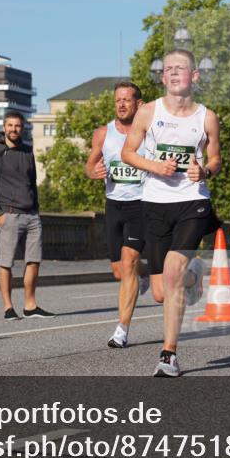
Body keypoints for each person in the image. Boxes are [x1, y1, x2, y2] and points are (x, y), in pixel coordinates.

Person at [121, 49, 222, 377]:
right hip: (154, 203)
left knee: (172, 272)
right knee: (162, 292)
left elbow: (217, 160)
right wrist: (156, 166)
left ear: (194, 76)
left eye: (183, 69)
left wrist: (204, 172)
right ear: (163, 77)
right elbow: (128, 153)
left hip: (193, 202)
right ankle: (195, 274)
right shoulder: (147, 113)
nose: (176, 74)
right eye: (169, 70)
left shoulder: (207, 117)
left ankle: (168, 356)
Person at [85, 81, 154, 348]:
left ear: (138, 104)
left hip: (141, 204)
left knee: (128, 263)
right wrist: (94, 172)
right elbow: (89, 167)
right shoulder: (103, 133)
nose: (121, 104)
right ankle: (145, 274)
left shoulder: (148, 133)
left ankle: (121, 329)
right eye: (118, 100)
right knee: (119, 271)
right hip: (113, 205)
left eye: (127, 100)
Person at [0, 111, 56, 320]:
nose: (14, 129)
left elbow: (32, 184)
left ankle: (30, 305)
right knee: (6, 262)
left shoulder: (27, 151)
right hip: (9, 214)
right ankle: (8, 307)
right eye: (10, 126)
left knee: (34, 260)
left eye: (18, 126)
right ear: (4, 127)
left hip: (31, 215)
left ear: (22, 128)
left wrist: (37, 210)